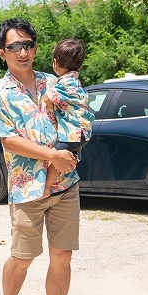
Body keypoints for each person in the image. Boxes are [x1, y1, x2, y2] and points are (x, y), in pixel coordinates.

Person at [0, 17, 84, 295]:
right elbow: (7, 140)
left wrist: (66, 153)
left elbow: (76, 117)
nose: (23, 52)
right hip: (27, 187)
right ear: (3, 52)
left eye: (28, 45)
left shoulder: (53, 82)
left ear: (36, 48)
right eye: (15, 47)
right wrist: (50, 154)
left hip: (66, 184)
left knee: (63, 256)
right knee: (23, 256)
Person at [41, 39, 94, 197]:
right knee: (70, 153)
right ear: (80, 66)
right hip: (84, 133)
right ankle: (75, 155)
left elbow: (46, 99)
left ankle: (46, 188)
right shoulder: (76, 81)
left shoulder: (63, 83)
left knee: (55, 158)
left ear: (55, 63)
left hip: (73, 133)